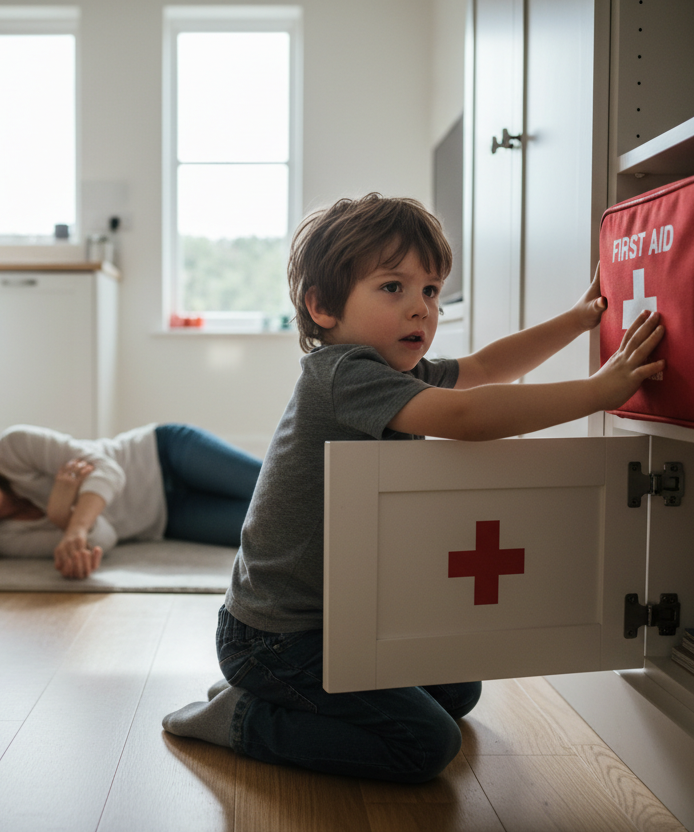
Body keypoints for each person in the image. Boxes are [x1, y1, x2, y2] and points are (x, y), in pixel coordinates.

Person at [162, 193, 665, 783]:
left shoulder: (392, 371)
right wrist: (595, 391)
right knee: (425, 744)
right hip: (274, 638)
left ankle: (281, 699)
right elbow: (466, 416)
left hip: (344, 618)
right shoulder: (344, 373)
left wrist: (579, 320)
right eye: (393, 288)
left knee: (459, 688)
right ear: (322, 306)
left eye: (430, 290)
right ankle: (243, 717)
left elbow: (480, 369)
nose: (421, 308)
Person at [0, 423, 262, 579]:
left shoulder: (13, 448)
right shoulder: (5, 539)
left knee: (281, 488)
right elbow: (107, 536)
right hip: (164, 519)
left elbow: (109, 469)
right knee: (272, 529)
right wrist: (58, 509)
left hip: (164, 454)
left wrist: (71, 523)